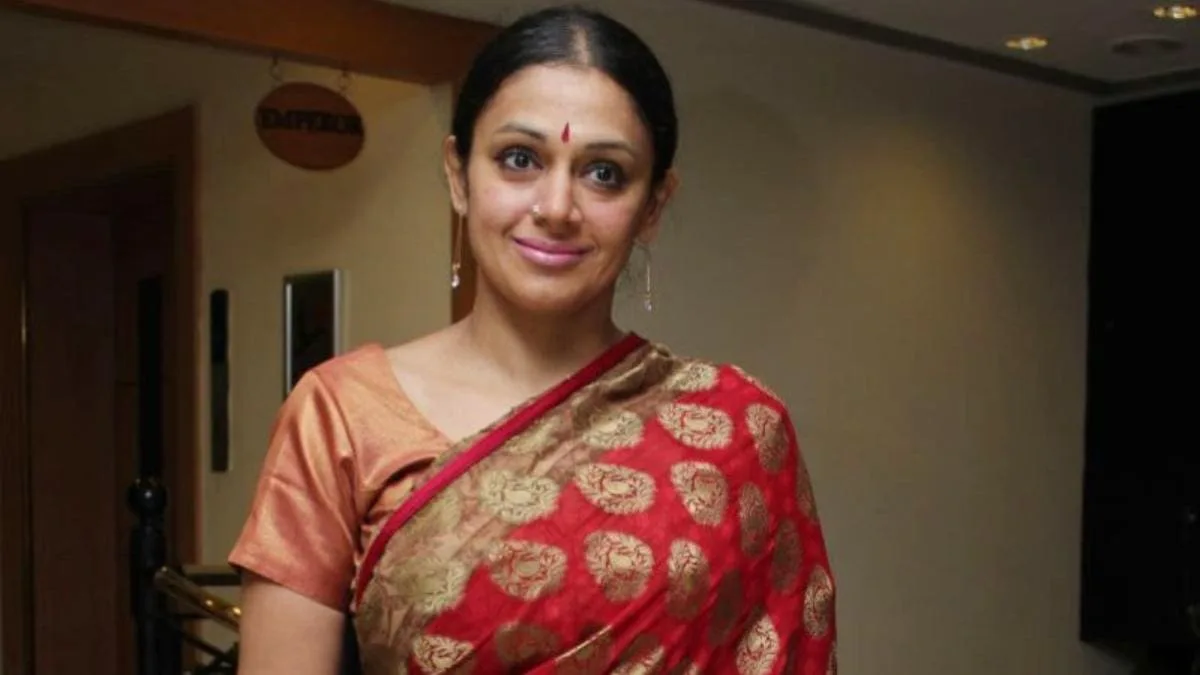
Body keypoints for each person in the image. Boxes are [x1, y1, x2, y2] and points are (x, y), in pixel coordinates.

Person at [229, 5, 836, 674]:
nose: (555, 208)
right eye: (519, 159)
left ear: (654, 205)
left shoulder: (736, 431)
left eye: (604, 172)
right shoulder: (342, 417)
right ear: (458, 174)